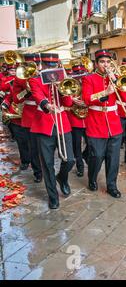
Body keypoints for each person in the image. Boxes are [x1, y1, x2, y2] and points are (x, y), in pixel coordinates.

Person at [29, 53, 75, 209]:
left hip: (62, 123)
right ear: (43, 65)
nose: (51, 69)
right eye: (48, 66)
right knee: (47, 164)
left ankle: (62, 178)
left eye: (53, 65)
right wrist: (47, 105)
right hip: (44, 125)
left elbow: (68, 102)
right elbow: (37, 95)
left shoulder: (62, 80)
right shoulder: (35, 79)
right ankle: (53, 196)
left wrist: (62, 89)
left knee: (69, 160)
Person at [82, 49, 126, 198]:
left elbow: (125, 97)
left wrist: (116, 80)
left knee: (113, 158)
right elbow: (87, 99)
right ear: (96, 64)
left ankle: (112, 186)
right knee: (96, 156)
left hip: (114, 123)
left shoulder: (116, 77)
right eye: (102, 62)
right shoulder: (89, 78)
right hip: (96, 122)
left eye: (108, 62)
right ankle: (92, 178)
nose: (106, 65)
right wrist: (105, 93)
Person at [13, 54, 43, 183]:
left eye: (35, 65)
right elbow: (16, 98)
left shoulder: (44, 76)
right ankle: (38, 172)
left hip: (45, 113)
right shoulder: (19, 79)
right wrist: (27, 92)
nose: (33, 69)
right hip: (30, 115)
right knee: (33, 148)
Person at [67, 63, 89, 177]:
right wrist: (72, 100)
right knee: (76, 145)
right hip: (75, 118)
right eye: (77, 73)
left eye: (82, 73)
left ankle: (86, 155)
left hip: (89, 117)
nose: (79, 75)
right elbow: (65, 97)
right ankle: (80, 165)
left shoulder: (88, 82)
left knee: (91, 143)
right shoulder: (70, 84)